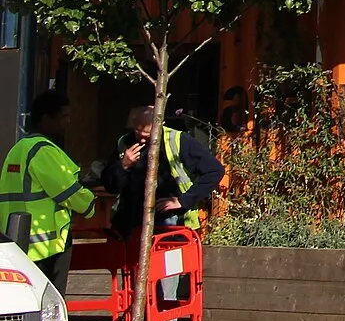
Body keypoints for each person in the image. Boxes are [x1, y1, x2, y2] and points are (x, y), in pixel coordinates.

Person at [0, 91, 96, 294]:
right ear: (45, 118)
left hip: (17, 241)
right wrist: (90, 205)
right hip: (47, 247)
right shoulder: (44, 151)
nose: (67, 122)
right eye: (63, 117)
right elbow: (70, 194)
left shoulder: (19, 148)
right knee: (49, 305)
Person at [102, 104, 224, 239]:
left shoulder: (178, 140)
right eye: (137, 132)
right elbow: (110, 186)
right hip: (128, 225)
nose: (142, 140)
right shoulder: (125, 142)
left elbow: (215, 171)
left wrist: (183, 201)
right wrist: (123, 165)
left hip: (171, 226)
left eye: (147, 135)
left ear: (161, 125)